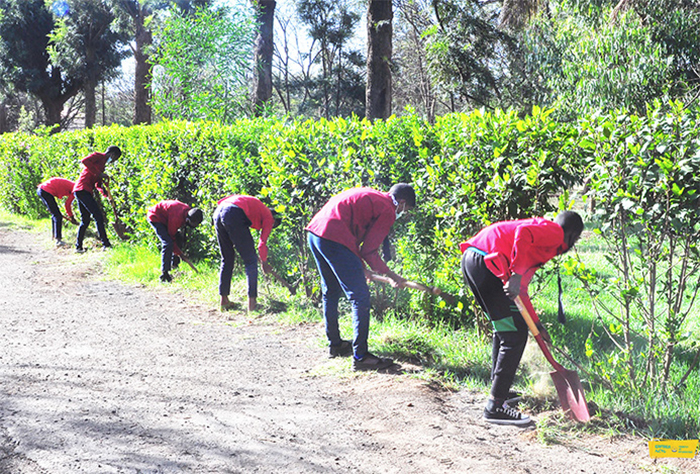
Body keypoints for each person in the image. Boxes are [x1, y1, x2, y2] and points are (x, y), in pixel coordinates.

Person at [459, 210, 584, 425]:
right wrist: (515, 274)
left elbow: (521, 291)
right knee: (514, 335)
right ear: (572, 236)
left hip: (475, 261)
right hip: (486, 262)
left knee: (506, 328)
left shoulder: (540, 247)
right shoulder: (554, 231)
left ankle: (499, 390)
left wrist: (536, 324)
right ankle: (495, 406)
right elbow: (523, 232)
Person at [306, 184, 415, 371]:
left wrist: (361, 268)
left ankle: (335, 345)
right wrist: (392, 275)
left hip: (316, 233)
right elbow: (369, 251)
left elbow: (353, 237)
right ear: (401, 202)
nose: (402, 214)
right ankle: (361, 357)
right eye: (405, 210)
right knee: (360, 297)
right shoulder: (387, 209)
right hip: (334, 237)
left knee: (331, 291)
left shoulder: (373, 195)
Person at [214, 194, 281, 312]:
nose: (269, 227)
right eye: (273, 226)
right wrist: (264, 262)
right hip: (232, 212)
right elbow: (262, 244)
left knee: (227, 258)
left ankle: (224, 301)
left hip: (219, 211)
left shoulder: (257, 209)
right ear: (274, 221)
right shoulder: (269, 217)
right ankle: (252, 305)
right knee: (251, 260)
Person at [72, 145, 122, 252]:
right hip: (82, 189)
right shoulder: (98, 156)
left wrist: (106, 195)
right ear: (112, 154)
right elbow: (85, 161)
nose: (113, 161)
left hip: (83, 191)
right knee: (98, 216)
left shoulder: (102, 166)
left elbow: (98, 185)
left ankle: (78, 247)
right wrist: (99, 173)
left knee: (85, 220)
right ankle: (106, 244)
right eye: (115, 159)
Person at [147, 200, 204, 282]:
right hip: (155, 217)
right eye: (194, 224)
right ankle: (164, 274)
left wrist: (179, 253)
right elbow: (171, 238)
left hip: (166, 218)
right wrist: (180, 254)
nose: (195, 226)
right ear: (188, 220)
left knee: (179, 238)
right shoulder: (176, 218)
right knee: (168, 243)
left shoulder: (188, 212)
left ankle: (174, 265)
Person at [37, 177, 77, 246]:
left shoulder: (73, 185)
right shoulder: (75, 190)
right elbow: (67, 205)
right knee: (58, 216)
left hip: (41, 190)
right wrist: (72, 217)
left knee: (55, 214)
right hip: (46, 190)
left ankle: (54, 236)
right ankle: (58, 240)